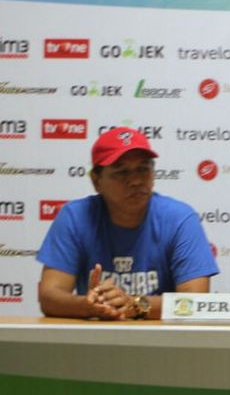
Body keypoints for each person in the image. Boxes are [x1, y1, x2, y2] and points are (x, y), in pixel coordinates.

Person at [37, 127, 219, 320]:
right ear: (96, 180)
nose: (135, 180)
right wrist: (88, 305)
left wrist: (134, 304)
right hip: (97, 341)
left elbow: (195, 302)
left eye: (143, 169)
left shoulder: (179, 218)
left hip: (164, 342)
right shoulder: (75, 217)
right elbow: (49, 296)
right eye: (121, 172)